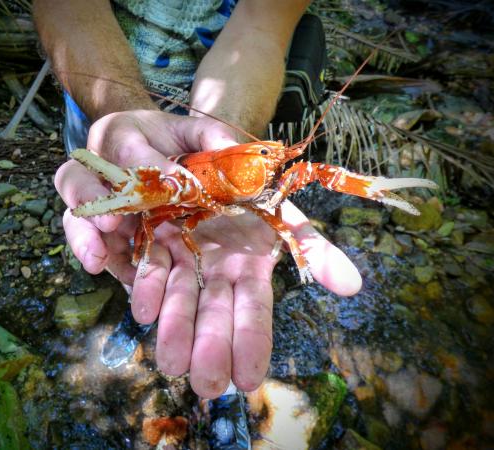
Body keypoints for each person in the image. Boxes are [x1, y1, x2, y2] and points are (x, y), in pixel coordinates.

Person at [33, 0, 362, 400]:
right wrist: (123, 118)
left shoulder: (258, 169)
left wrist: (223, 135)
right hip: (99, 104)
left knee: (225, 303)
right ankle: (137, 313)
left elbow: (262, 25)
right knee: (126, 234)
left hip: (231, 112)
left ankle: (221, 393)